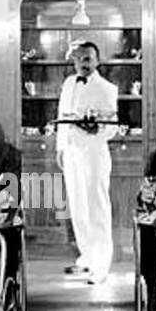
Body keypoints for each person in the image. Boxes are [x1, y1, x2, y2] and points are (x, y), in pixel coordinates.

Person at [57, 40, 119, 284]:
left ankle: (101, 265)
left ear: (97, 61)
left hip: (94, 154)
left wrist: (95, 130)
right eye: (78, 59)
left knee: (96, 208)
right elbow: (61, 115)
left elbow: (112, 129)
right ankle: (87, 257)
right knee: (78, 207)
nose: (82, 63)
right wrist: (61, 149)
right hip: (72, 154)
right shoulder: (68, 83)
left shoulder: (107, 88)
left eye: (87, 59)